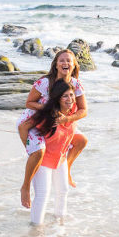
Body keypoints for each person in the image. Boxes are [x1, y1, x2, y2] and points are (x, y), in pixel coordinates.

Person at [17, 50, 87, 208]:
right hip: (35, 120)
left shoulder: (75, 84)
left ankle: (67, 168)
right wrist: (48, 109)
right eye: (62, 60)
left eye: (69, 61)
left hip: (57, 122)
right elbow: (29, 103)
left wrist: (67, 119)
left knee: (81, 140)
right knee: (38, 152)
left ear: (74, 64)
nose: (65, 63)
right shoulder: (45, 82)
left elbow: (83, 110)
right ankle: (25, 187)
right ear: (55, 64)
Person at [21, 80, 85, 224]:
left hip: (60, 159)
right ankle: (35, 231)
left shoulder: (73, 111)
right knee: (43, 195)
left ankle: (59, 226)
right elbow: (23, 127)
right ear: (57, 99)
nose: (70, 99)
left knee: (63, 191)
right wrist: (30, 149)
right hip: (42, 162)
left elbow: (84, 111)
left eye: (71, 95)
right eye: (65, 96)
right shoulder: (48, 116)